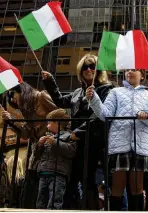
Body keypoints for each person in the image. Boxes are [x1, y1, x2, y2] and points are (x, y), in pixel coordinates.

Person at [41, 54, 116, 209]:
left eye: (92, 66)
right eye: (84, 67)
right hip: (76, 141)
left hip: (94, 140)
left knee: (89, 179)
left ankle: (91, 209)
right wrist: (49, 81)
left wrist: (79, 133)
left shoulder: (107, 90)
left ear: (98, 70)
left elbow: (100, 116)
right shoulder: (77, 92)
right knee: (73, 177)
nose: (88, 70)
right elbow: (60, 101)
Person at [86, 69, 148, 211]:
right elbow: (105, 114)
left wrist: (147, 115)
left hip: (140, 146)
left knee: (137, 188)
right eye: (127, 70)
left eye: (134, 70)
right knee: (117, 187)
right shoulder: (115, 92)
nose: (130, 72)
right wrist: (94, 98)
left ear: (142, 75)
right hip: (119, 145)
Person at [2, 81, 58, 209]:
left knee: (51, 186)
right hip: (37, 151)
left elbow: (62, 116)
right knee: (32, 188)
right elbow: (26, 134)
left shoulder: (41, 96)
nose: (12, 99)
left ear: (22, 90)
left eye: (12, 94)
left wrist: (59, 137)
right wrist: (11, 121)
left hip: (52, 146)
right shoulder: (26, 108)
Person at [35, 109, 77, 210]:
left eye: (50, 122)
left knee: (55, 200)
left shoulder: (69, 136)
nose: (47, 124)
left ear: (58, 123)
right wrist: (39, 144)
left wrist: (55, 142)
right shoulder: (48, 136)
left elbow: (71, 151)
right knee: (41, 200)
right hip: (43, 172)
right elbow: (37, 155)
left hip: (58, 174)